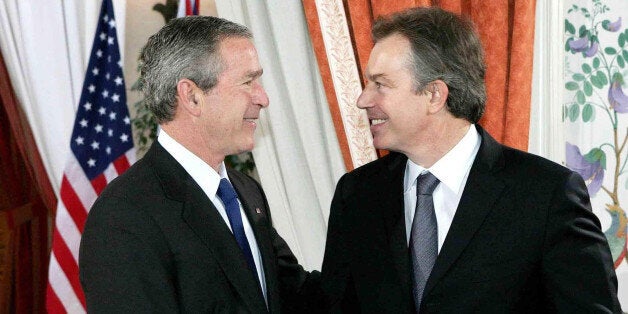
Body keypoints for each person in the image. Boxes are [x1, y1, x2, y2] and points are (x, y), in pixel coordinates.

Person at [320, 6, 621, 313]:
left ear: (435, 95)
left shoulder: (546, 194)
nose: (362, 100)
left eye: (380, 84)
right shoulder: (357, 193)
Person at [79, 16, 319, 313]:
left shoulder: (244, 191)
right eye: (248, 81)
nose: (263, 97)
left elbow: (297, 296)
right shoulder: (123, 217)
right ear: (192, 97)